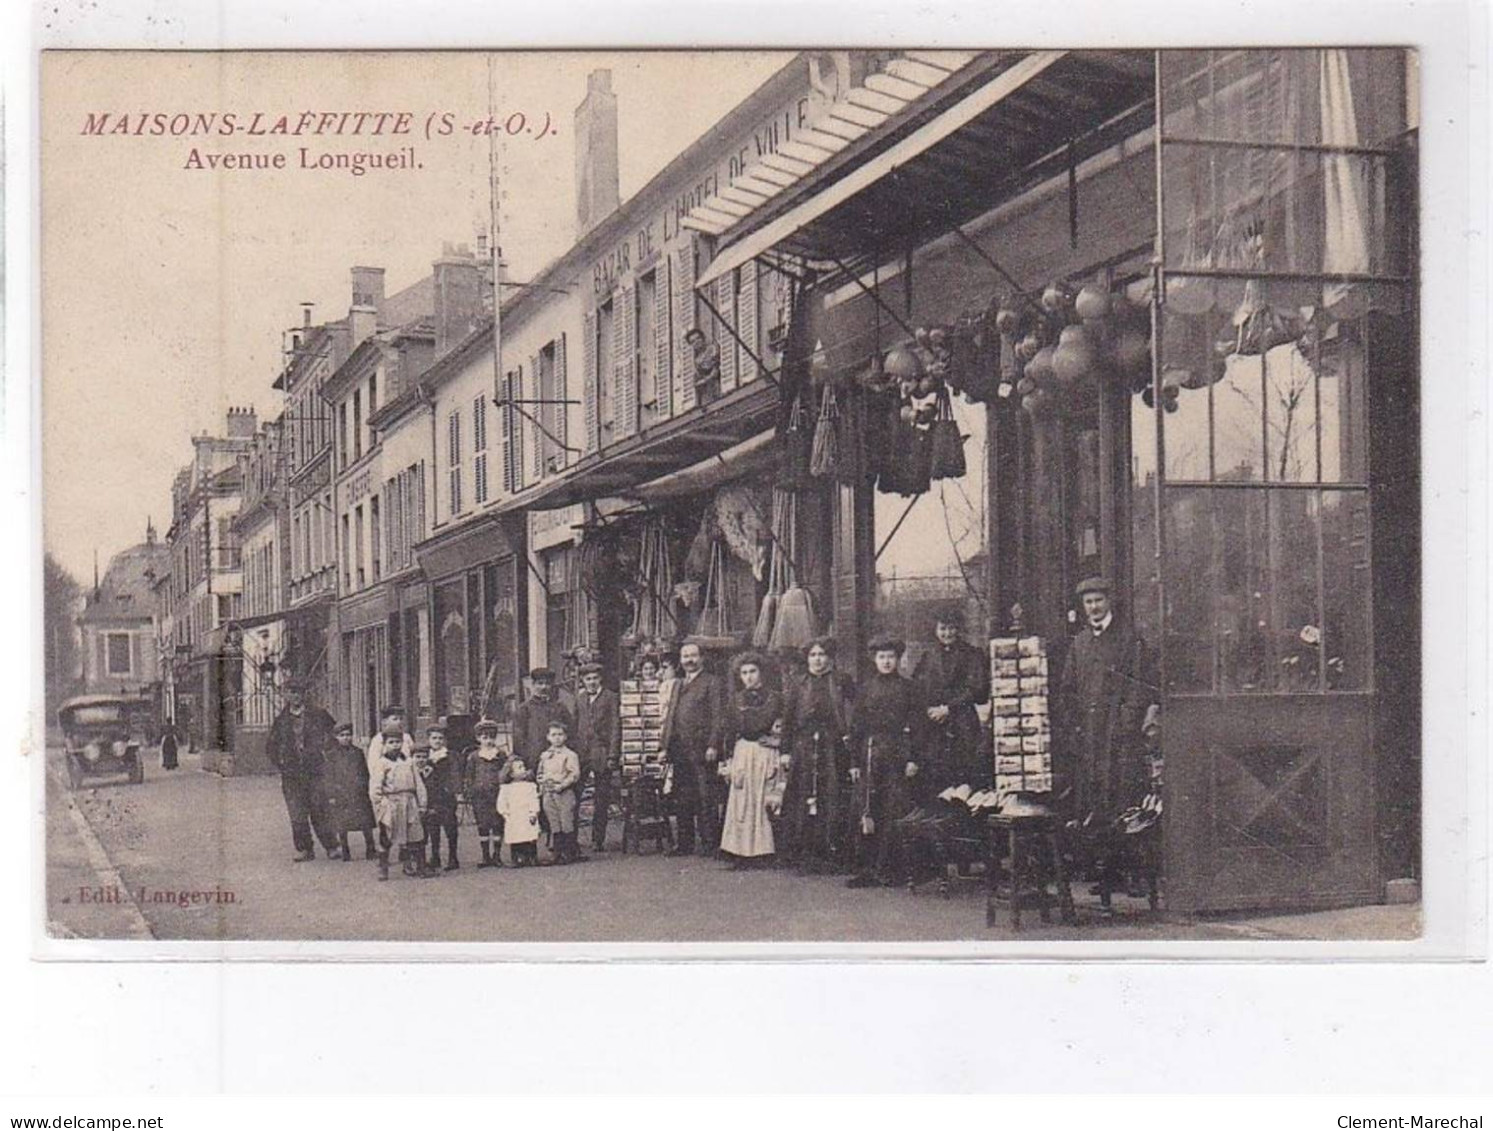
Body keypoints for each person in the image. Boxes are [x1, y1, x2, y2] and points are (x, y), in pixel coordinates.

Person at [1058, 577, 1158, 911]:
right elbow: (1068, 689)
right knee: (1096, 801)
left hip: (1120, 735)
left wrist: (1127, 723)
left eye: (1099, 601)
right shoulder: (1080, 643)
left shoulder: (1129, 640)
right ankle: (1105, 873)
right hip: (1091, 736)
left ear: (1109, 602)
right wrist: (1075, 725)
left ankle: (1134, 875)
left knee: (1126, 800)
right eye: (1088, 603)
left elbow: (1140, 686)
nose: (1094, 608)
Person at [846, 637, 925, 889]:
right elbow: (856, 726)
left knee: (894, 808)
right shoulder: (866, 688)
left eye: (891, 656)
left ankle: (892, 868)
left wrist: (913, 758)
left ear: (898, 658)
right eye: (881, 657)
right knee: (869, 807)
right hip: (871, 752)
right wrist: (855, 762)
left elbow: (917, 726)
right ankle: (868, 868)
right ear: (874, 660)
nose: (886, 661)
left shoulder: (908, 687)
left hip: (898, 753)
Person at [780, 637, 856, 873]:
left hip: (832, 746)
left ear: (830, 658)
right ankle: (803, 852)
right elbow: (789, 718)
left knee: (831, 795)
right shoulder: (798, 682)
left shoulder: (841, 681)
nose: (817, 659)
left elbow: (854, 712)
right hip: (803, 745)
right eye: (813, 655)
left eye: (822, 654)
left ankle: (831, 850)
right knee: (802, 794)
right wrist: (784, 750)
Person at [658, 640, 727, 857]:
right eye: (685, 656)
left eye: (693, 656)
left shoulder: (712, 682)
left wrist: (713, 744)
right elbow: (671, 716)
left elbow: (718, 716)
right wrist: (664, 746)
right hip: (680, 750)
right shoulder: (678, 684)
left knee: (706, 797)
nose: (689, 660)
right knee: (682, 798)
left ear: (701, 658)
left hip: (702, 749)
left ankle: (710, 844)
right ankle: (684, 844)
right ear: (680, 660)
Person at [912, 609, 990, 791]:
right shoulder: (928, 655)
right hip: (935, 724)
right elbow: (918, 687)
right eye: (942, 628)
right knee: (938, 774)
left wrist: (949, 708)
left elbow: (977, 689)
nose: (947, 633)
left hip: (962, 721)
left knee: (964, 774)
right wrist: (930, 710)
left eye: (951, 628)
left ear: (958, 629)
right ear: (935, 630)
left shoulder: (972, 654)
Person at [719, 652, 785, 868]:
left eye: (753, 672)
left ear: (761, 673)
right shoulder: (736, 700)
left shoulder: (774, 698)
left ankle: (764, 851)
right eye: (744, 673)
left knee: (763, 798)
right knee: (742, 800)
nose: (748, 677)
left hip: (764, 752)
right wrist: (728, 757)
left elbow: (775, 723)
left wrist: (777, 740)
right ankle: (741, 852)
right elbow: (731, 727)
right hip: (744, 752)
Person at [266, 680, 342, 862]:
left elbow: (334, 735)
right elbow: (271, 746)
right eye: (291, 692)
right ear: (286, 695)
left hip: (315, 770)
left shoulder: (319, 714)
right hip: (292, 774)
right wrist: (282, 764)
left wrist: (327, 756)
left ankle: (331, 846)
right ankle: (304, 849)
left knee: (320, 808)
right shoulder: (281, 720)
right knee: (297, 812)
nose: (295, 696)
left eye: (299, 692)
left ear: (304, 694)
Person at [369, 724, 429, 880]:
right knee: (387, 835)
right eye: (391, 742)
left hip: (409, 802)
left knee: (414, 835)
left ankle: (414, 866)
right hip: (390, 802)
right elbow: (375, 787)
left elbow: (419, 785)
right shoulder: (382, 763)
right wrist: (380, 804)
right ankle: (383, 868)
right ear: (385, 744)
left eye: (398, 742)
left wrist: (422, 804)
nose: (395, 745)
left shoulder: (409, 762)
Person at [573, 662, 620, 853]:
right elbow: (575, 725)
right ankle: (571, 839)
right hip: (582, 754)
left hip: (602, 753)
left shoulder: (611, 697)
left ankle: (597, 839)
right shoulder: (579, 698)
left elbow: (616, 726)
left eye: (594, 678)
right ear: (583, 681)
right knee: (575, 795)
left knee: (601, 799)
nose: (591, 682)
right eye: (588, 679)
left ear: (600, 679)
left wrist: (613, 754)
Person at [325, 721, 379, 862]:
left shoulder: (358, 752)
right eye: (342, 735)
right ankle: (345, 850)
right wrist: (331, 794)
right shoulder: (331, 755)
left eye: (348, 735)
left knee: (365, 822)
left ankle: (370, 849)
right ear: (336, 737)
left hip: (358, 792)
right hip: (341, 792)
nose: (346, 738)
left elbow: (364, 772)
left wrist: (367, 788)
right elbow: (329, 776)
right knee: (342, 824)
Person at [464, 717, 508, 868]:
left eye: (491, 737)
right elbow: (469, 776)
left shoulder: (501, 755)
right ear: (478, 738)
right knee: (483, 824)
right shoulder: (474, 757)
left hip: (497, 793)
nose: (488, 741)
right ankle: (485, 856)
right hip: (480, 796)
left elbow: (506, 772)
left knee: (497, 823)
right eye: (484, 737)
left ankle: (497, 855)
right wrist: (469, 792)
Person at [536, 721, 583, 864]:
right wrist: (543, 781)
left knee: (566, 821)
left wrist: (562, 785)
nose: (557, 738)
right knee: (554, 822)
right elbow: (540, 772)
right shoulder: (545, 755)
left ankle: (569, 853)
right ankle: (557, 853)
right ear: (548, 737)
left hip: (564, 792)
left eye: (560, 735)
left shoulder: (570, 755)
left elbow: (574, 774)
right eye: (553, 735)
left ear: (565, 737)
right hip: (548, 793)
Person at [419, 720, 461, 872]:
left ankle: (453, 857)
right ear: (429, 739)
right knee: (432, 827)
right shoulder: (425, 756)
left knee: (450, 827)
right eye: (434, 738)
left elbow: (456, 774)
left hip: (446, 796)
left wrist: (456, 791)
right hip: (431, 796)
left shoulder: (450, 756)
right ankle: (435, 856)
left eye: (440, 738)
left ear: (445, 740)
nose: (437, 741)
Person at [512, 668, 574, 768]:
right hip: (533, 761)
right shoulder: (524, 709)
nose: (544, 687)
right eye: (540, 683)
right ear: (533, 684)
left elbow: (571, 733)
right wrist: (528, 759)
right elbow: (518, 739)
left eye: (547, 684)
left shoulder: (560, 708)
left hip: (559, 762)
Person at [498, 757, 541, 867]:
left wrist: (533, 812)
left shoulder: (530, 786)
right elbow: (502, 802)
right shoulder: (506, 788)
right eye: (519, 767)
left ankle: (532, 856)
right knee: (515, 835)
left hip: (526, 814)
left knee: (530, 835)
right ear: (511, 773)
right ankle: (517, 857)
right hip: (514, 815)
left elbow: (533, 799)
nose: (523, 769)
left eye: (523, 767)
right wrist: (505, 814)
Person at [684, 328, 721, 404]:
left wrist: (706, 379)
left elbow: (715, 370)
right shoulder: (695, 361)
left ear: (703, 338)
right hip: (707, 392)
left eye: (698, 338)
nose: (696, 342)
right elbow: (696, 381)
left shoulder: (713, 349)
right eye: (693, 342)